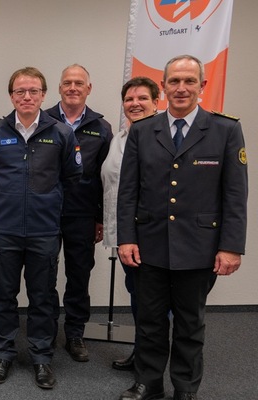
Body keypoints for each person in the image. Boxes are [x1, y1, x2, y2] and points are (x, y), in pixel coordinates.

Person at [117, 55, 248, 400]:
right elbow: (128, 190)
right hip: (150, 243)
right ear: (163, 86)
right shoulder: (144, 131)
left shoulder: (225, 129)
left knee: (191, 324)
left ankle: (186, 389)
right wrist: (126, 238)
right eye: (174, 81)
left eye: (189, 81)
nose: (181, 88)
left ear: (202, 86)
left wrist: (231, 246)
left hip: (200, 246)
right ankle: (149, 382)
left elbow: (235, 194)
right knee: (150, 321)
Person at [0, 67, 82, 389]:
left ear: (44, 95)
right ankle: (4, 353)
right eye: (20, 91)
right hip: (4, 231)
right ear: (11, 96)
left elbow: (71, 179)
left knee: (43, 297)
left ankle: (41, 358)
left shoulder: (61, 133)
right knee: (2, 294)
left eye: (33, 91)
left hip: (44, 231)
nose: (27, 97)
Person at [45, 64, 112, 362]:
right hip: (44, 212)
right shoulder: (42, 119)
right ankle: (45, 332)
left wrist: (100, 218)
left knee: (79, 275)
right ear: (59, 88)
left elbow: (104, 177)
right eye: (67, 83)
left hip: (81, 214)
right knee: (43, 275)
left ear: (89, 88)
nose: (73, 87)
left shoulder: (101, 127)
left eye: (79, 83)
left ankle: (74, 333)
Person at [101, 76, 160, 372]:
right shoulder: (121, 137)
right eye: (129, 99)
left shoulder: (162, 138)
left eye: (142, 99)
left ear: (156, 103)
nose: (134, 104)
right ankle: (144, 351)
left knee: (152, 301)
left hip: (149, 235)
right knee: (138, 295)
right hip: (123, 233)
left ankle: (151, 358)